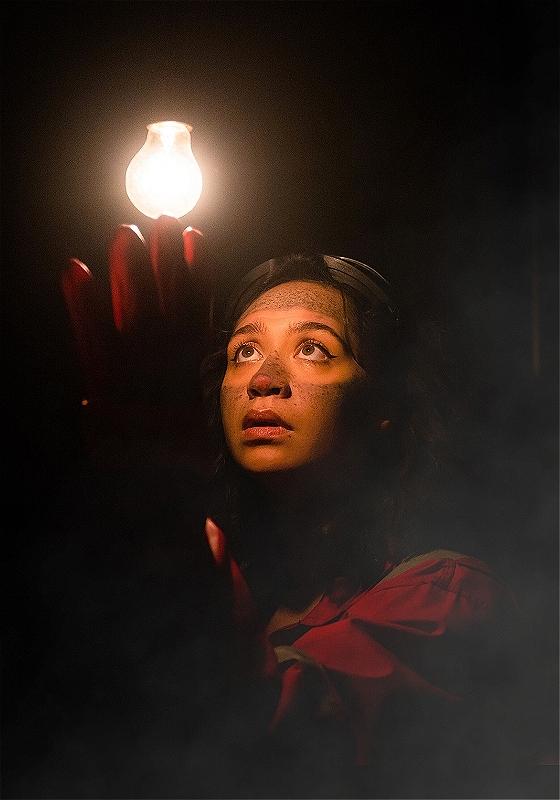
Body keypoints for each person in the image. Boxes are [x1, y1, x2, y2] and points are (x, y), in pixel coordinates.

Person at [23, 219, 534, 799]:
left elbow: (274, 741)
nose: (264, 380)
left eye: (312, 348)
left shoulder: (448, 597)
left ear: (384, 406)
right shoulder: (229, 580)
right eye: (243, 352)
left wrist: (164, 498)